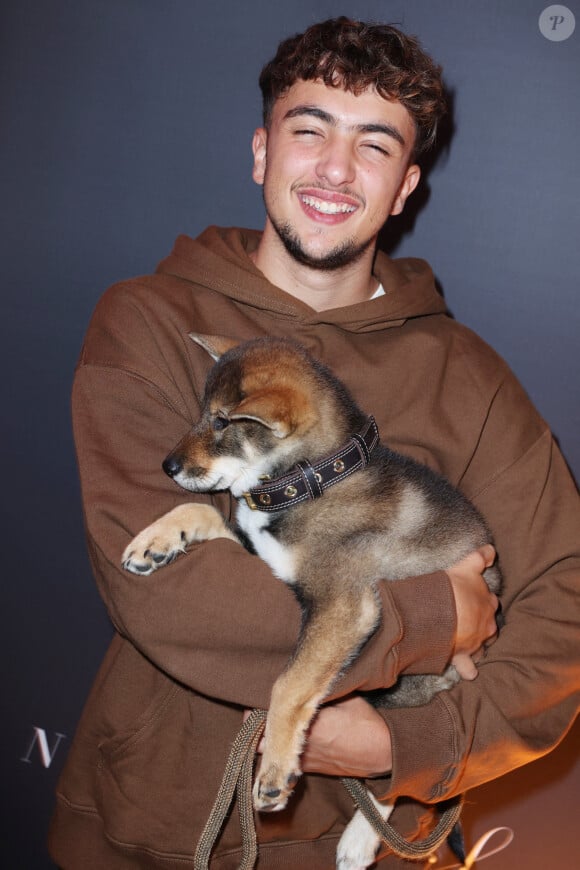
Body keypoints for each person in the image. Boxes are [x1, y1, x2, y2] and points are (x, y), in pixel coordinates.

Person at [48, 17, 580, 869]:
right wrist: (430, 615)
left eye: (373, 146)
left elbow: (566, 603)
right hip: (146, 835)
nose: (335, 169)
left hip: (372, 846)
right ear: (263, 151)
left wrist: (407, 742)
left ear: (405, 187)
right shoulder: (151, 320)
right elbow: (169, 592)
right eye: (310, 131)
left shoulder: (467, 374)